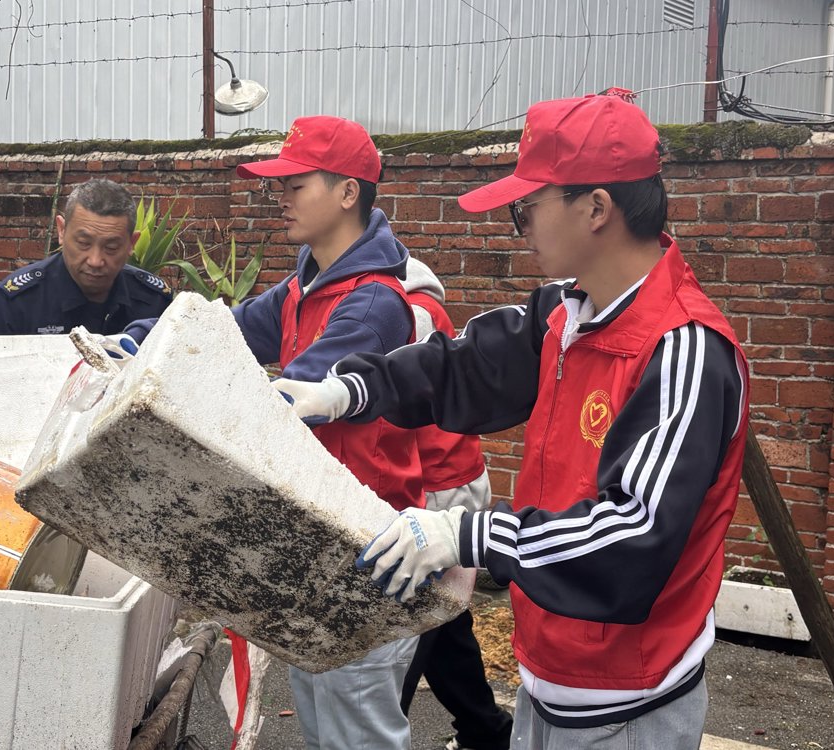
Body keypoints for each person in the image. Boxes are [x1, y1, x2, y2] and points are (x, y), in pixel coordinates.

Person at [273, 91, 750, 750]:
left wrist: (467, 534)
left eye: (526, 208)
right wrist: (345, 390)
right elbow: (459, 367)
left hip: (628, 702)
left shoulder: (684, 351)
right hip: (547, 676)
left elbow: (633, 535)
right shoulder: (566, 311)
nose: (518, 225)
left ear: (596, 209)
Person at [128, 114, 425, 750]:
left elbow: (273, 410)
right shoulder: (305, 285)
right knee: (326, 728)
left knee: (358, 735)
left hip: (369, 556)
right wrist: (133, 344)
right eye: (279, 185)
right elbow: (220, 329)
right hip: (323, 546)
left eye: (296, 184)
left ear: (348, 192)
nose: (281, 197)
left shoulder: (371, 303)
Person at [399, 256, 513, 750]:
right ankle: (486, 731)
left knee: (406, 635)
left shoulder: (401, 306)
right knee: (442, 625)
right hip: (426, 483)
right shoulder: (333, 288)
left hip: (438, 487)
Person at [0, 178, 172, 335]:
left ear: (131, 243)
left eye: (111, 247)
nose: (95, 261)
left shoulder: (154, 302)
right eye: (84, 243)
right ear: (61, 231)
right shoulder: (15, 303)